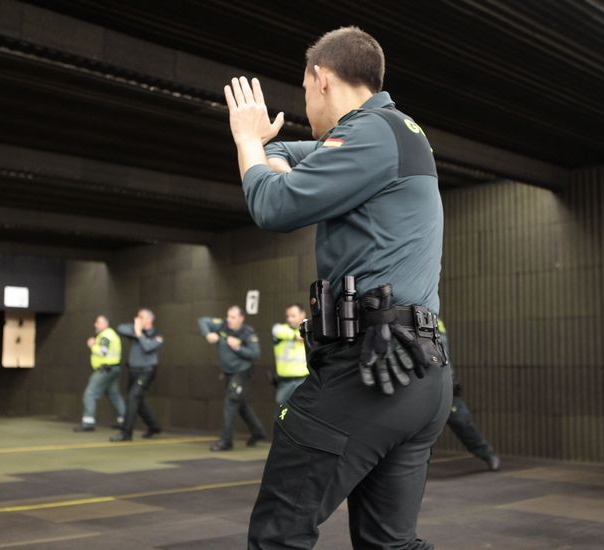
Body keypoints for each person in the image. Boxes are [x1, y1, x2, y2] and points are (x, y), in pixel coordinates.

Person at [225, 26, 449, 549]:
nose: (306, 104)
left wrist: (245, 139)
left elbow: (273, 203)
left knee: (279, 534)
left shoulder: (371, 132)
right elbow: (284, 154)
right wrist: (267, 152)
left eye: (304, 91)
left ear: (321, 79)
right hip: (417, 368)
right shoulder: (395, 132)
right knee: (389, 544)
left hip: (368, 372)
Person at [198, 306, 267, 452]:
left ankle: (226, 441)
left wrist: (238, 348)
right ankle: (258, 432)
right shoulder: (222, 324)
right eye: (228, 316)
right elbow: (202, 321)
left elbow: (255, 354)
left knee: (231, 402)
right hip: (228, 373)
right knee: (239, 403)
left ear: (241, 318)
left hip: (241, 372)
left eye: (233, 317)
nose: (229, 320)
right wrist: (208, 334)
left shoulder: (247, 333)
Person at [437, 320, 500, 471]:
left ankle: (487, 454)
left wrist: (450, 380)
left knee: (461, 420)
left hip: (442, 384)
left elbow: (443, 355)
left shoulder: (436, 321)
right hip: (416, 383)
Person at [110, 308, 164, 442]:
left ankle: (126, 433)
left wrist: (139, 334)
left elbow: (148, 347)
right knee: (138, 402)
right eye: (137, 317)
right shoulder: (135, 330)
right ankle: (154, 426)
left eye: (141, 317)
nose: (138, 319)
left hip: (147, 372)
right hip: (133, 372)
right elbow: (120, 328)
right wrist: (137, 330)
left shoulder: (157, 336)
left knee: (132, 398)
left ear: (150, 320)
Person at [74, 315, 125, 432]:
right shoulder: (111, 335)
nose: (95, 325)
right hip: (113, 369)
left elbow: (103, 351)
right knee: (114, 395)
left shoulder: (105, 336)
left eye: (98, 322)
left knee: (90, 394)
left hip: (105, 370)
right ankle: (125, 420)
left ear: (106, 324)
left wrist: (92, 345)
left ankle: (88, 422)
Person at [271, 303, 309, 405]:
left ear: (302, 314)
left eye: (293, 316)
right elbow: (276, 330)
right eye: (288, 316)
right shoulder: (282, 329)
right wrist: (295, 336)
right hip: (285, 382)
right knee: (282, 412)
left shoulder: (309, 330)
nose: (290, 319)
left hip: (304, 380)